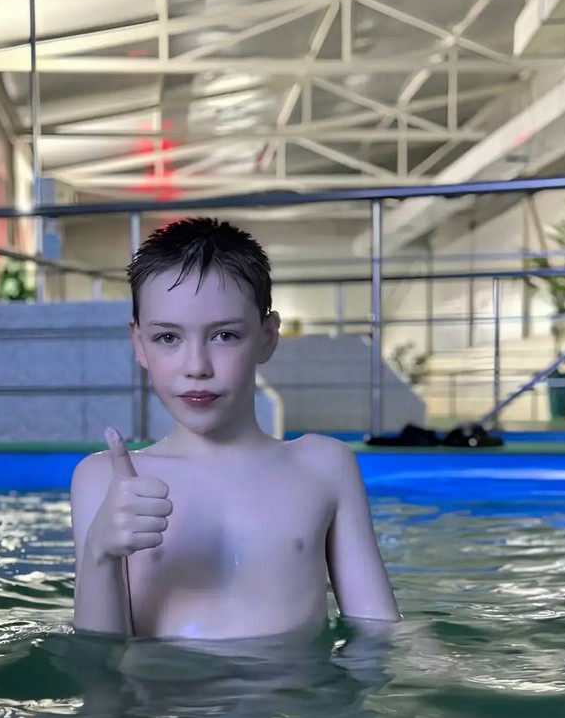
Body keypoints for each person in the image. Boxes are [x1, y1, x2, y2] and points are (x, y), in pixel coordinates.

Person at [70, 217, 400, 641]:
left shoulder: (323, 467)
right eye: (168, 338)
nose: (197, 367)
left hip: (292, 687)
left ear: (267, 336)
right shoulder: (106, 481)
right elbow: (99, 657)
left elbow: (379, 634)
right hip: (162, 687)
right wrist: (100, 553)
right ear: (140, 345)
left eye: (224, 335)